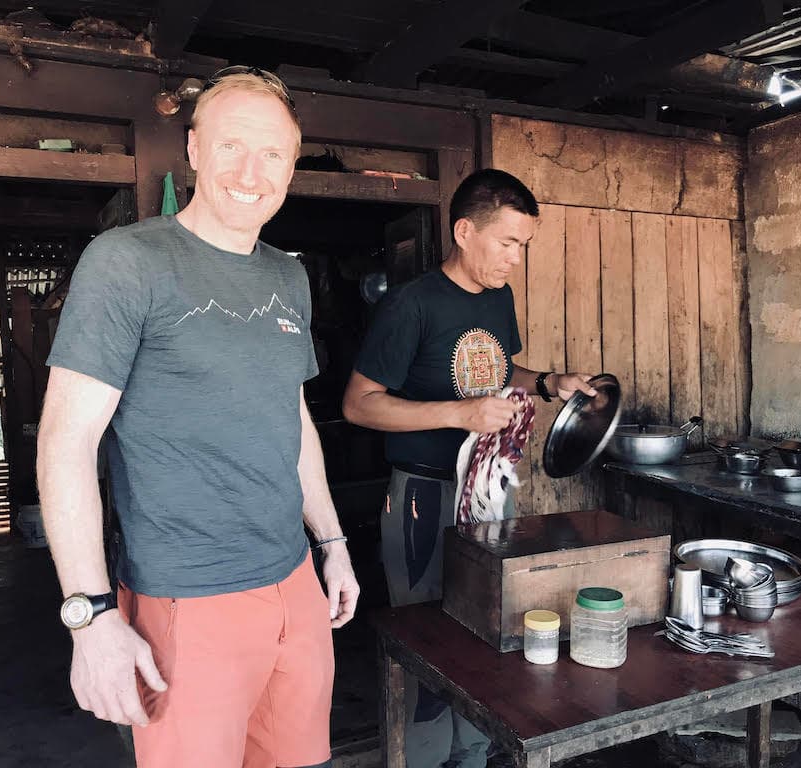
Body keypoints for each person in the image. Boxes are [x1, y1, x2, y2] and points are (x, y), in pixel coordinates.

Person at [37, 66, 359, 768]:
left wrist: (331, 542)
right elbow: (66, 440)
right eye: (231, 145)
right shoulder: (127, 262)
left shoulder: (288, 276)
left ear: (292, 165)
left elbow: (292, 418)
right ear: (193, 148)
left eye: (272, 153)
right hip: (187, 600)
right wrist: (91, 616)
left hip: (295, 585)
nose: (250, 172)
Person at [342, 168, 594, 768]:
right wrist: (462, 414)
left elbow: (502, 371)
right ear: (464, 232)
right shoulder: (411, 305)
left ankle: (476, 752)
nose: (515, 259)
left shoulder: (497, 298)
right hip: (424, 496)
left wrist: (549, 382)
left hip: (489, 493)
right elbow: (359, 404)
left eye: (522, 245)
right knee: (429, 637)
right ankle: (425, 758)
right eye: (507, 242)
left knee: (486, 625)